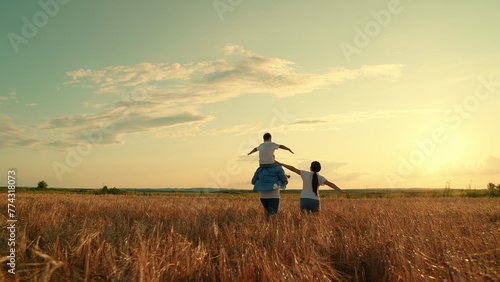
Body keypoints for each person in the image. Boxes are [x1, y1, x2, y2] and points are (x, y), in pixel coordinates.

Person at [277, 161, 345, 214]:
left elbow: (293, 169)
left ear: (310, 167)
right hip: (315, 200)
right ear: (319, 169)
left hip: (304, 199)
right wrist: (340, 190)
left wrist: (281, 164)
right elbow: (330, 184)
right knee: (315, 221)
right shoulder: (320, 178)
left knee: (304, 220)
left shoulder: (305, 174)